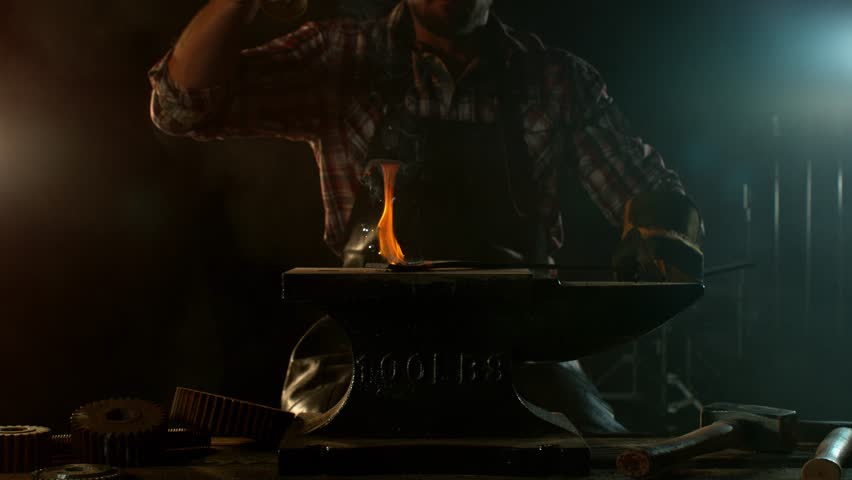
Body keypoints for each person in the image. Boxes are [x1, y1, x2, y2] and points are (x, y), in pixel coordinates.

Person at [149, 0, 704, 433]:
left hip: (523, 352)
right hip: (359, 350)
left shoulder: (556, 79)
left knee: (597, 453)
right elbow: (183, 106)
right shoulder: (338, 55)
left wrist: (662, 239)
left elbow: (649, 189)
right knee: (310, 453)